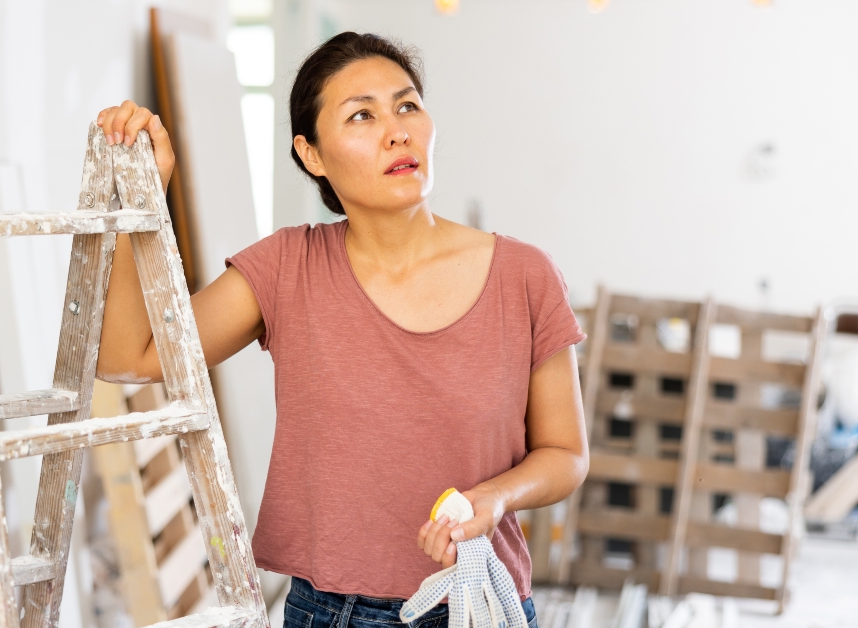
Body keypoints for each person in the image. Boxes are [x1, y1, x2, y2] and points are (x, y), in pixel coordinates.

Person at [95, 31, 587, 628]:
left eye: (407, 105)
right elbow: (131, 355)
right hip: (328, 614)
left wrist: (496, 497)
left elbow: (565, 454)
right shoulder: (286, 270)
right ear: (313, 155)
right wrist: (141, 197)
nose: (397, 130)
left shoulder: (523, 276)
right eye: (362, 115)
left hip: (477, 606)